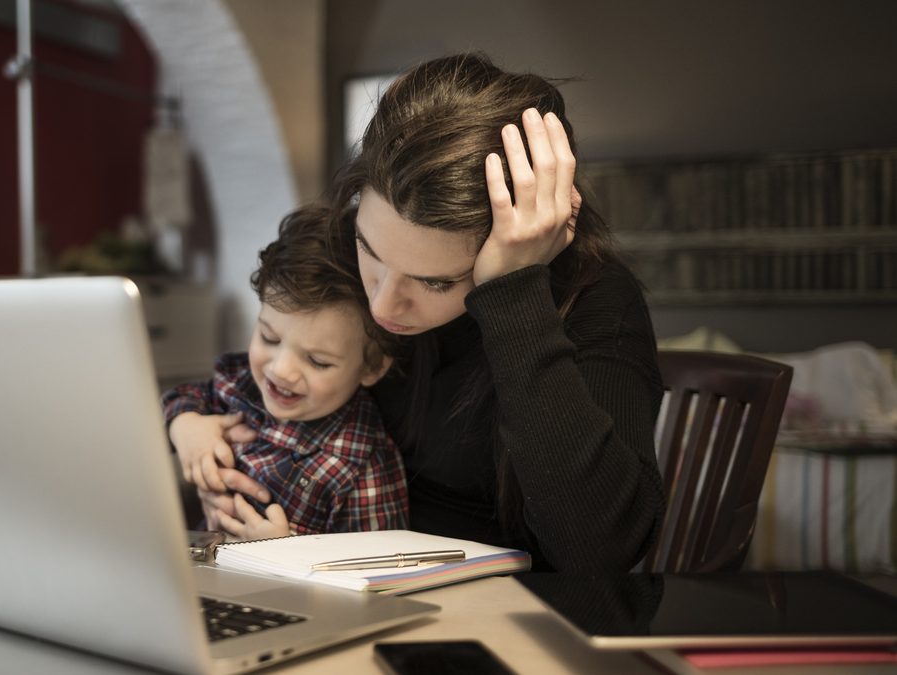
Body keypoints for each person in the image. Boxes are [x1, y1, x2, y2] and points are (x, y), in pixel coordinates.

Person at [170, 52, 666, 572]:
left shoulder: (595, 301)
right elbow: (255, 394)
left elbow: (602, 552)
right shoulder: (336, 256)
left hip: (510, 603)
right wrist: (195, 436)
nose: (383, 306)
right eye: (369, 250)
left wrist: (514, 294)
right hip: (326, 578)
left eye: (436, 282)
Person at [162, 204, 408, 540]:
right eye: (269, 338)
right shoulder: (241, 383)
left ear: (373, 367)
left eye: (317, 361)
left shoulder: (362, 463)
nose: (280, 370)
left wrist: (283, 550)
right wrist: (186, 426)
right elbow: (182, 396)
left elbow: (377, 562)